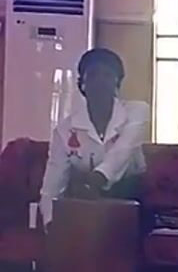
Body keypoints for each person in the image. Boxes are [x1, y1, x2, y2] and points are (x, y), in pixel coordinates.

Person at [39, 48, 149, 226]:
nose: (100, 81)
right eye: (93, 75)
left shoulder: (137, 111)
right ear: (82, 84)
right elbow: (53, 183)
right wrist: (50, 223)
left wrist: (95, 181)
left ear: (117, 83)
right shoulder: (65, 130)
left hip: (130, 195)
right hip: (84, 199)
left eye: (108, 75)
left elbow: (123, 151)